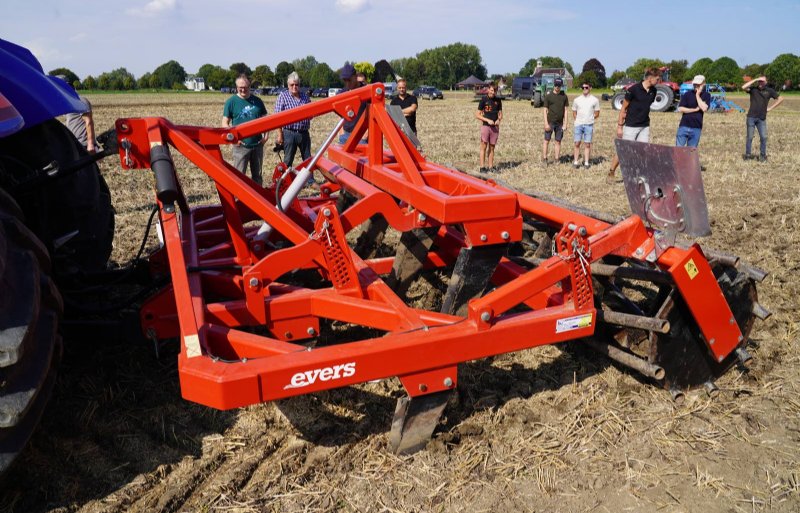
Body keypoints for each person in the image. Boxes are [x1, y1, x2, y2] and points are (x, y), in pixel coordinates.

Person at [607, 67, 659, 182]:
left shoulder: (654, 91)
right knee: (624, 151)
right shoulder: (633, 90)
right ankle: (611, 171)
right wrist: (620, 126)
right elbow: (623, 109)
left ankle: (638, 176)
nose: (658, 81)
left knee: (642, 151)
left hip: (645, 126)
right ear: (650, 78)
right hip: (631, 125)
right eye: (657, 79)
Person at [222, 74, 268, 185]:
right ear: (236, 87)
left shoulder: (258, 101)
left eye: (245, 87)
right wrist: (234, 139)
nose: (243, 89)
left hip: (257, 145)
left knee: (257, 176)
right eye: (240, 87)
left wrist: (266, 136)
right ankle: (238, 200)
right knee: (239, 176)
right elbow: (224, 123)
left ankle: (258, 200)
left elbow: (266, 120)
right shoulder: (231, 102)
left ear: (249, 86)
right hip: (240, 146)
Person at [274, 71, 312, 168]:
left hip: (304, 133)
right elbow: (277, 118)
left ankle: (310, 181)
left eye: (296, 84)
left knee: (308, 159)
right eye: (292, 85)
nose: (294, 87)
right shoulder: (283, 96)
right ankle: (285, 181)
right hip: (289, 133)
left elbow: (311, 114)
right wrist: (280, 135)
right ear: (288, 85)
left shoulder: (305, 97)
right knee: (288, 160)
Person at [742, 76, 784, 162]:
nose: (760, 83)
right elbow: (743, 87)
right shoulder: (753, 90)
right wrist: (755, 79)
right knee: (750, 137)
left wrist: (770, 108)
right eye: (759, 81)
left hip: (762, 118)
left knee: (764, 137)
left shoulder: (769, 91)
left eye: (762, 81)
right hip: (751, 117)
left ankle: (762, 156)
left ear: (766, 82)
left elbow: (781, 98)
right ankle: (748, 155)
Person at [57, 75, 99, 154]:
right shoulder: (69, 102)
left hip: (84, 144)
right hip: (76, 144)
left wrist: (90, 144)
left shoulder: (80, 100)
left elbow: (89, 121)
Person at [675, 75, 711, 148]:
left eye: (698, 84)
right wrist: (695, 110)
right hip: (683, 126)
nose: (696, 86)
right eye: (695, 84)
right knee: (678, 150)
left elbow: (704, 108)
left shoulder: (707, 95)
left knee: (691, 151)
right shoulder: (687, 94)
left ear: (703, 84)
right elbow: (680, 109)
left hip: (696, 127)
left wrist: (697, 95)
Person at [571, 81, 600, 169]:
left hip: (589, 125)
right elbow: (574, 112)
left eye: (586, 87)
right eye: (583, 87)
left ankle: (586, 162)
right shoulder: (577, 100)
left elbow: (597, 113)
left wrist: (590, 118)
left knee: (587, 144)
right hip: (578, 124)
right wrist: (578, 120)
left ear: (590, 88)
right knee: (577, 143)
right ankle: (576, 162)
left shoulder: (595, 100)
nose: (584, 89)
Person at [474, 83, 502, 172]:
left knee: (492, 148)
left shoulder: (498, 100)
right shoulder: (483, 100)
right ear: (488, 90)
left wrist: (499, 120)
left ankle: (491, 167)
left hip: (495, 128)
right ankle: (482, 167)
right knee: (483, 146)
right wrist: (487, 120)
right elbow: (477, 115)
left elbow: (500, 114)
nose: (493, 92)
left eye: (495, 91)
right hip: (486, 127)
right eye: (492, 90)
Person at [542, 78, 569, 165]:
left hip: (560, 123)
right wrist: (546, 123)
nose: (557, 87)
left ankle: (557, 159)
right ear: (554, 85)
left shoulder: (564, 96)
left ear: (561, 86)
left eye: (559, 85)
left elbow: (566, 110)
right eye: (556, 85)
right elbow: (545, 110)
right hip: (550, 122)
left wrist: (565, 124)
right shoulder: (548, 96)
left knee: (558, 141)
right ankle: (545, 159)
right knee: (547, 140)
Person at [338, 63, 365, 143]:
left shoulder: (366, 91)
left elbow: (372, 114)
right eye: (345, 80)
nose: (347, 84)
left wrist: (365, 135)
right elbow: (339, 112)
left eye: (349, 80)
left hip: (361, 136)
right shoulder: (343, 93)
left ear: (355, 77)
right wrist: (341, 132)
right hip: (345, 135)